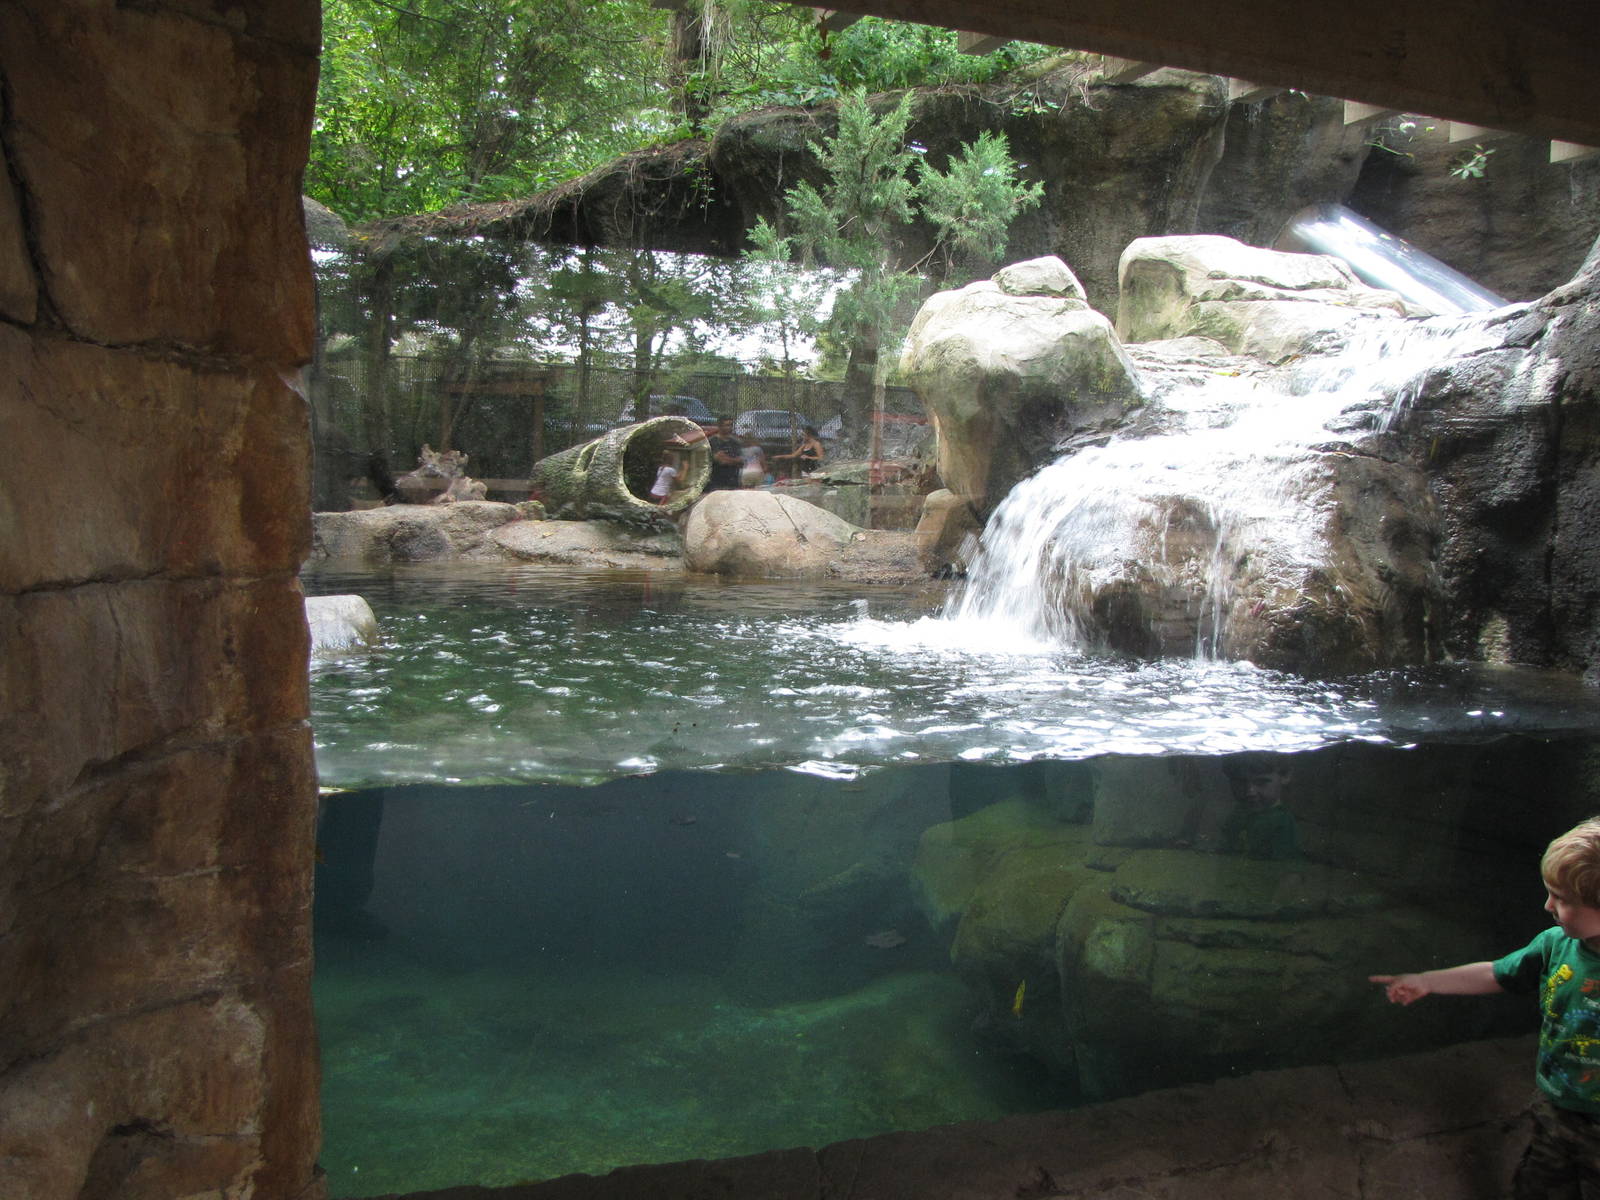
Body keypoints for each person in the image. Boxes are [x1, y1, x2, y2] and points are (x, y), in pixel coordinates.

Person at [1370, 817, 1600, 1198]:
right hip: (1556, 1109)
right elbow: (1497, 973)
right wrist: (1427, 980)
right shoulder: (1554, 944)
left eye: (1561, 899)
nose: (1547, 905)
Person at [1220, 756, 1298, 860]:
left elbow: (1281, 863)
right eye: (1240, 782)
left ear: (1285, 776)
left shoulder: (1281, 821)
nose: (1250, 791)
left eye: (1261, 782)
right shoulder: (1238, 812)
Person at [706, 416, 742, 491]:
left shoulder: (735, 442)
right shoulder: (712, 441)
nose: (730, 427)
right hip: (716, 480)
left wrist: (726, 459)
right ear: (720, 426)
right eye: (727, 425)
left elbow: (740, 461)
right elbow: (718, 460)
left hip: (732, 480)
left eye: (731, 425)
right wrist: (731, 460)